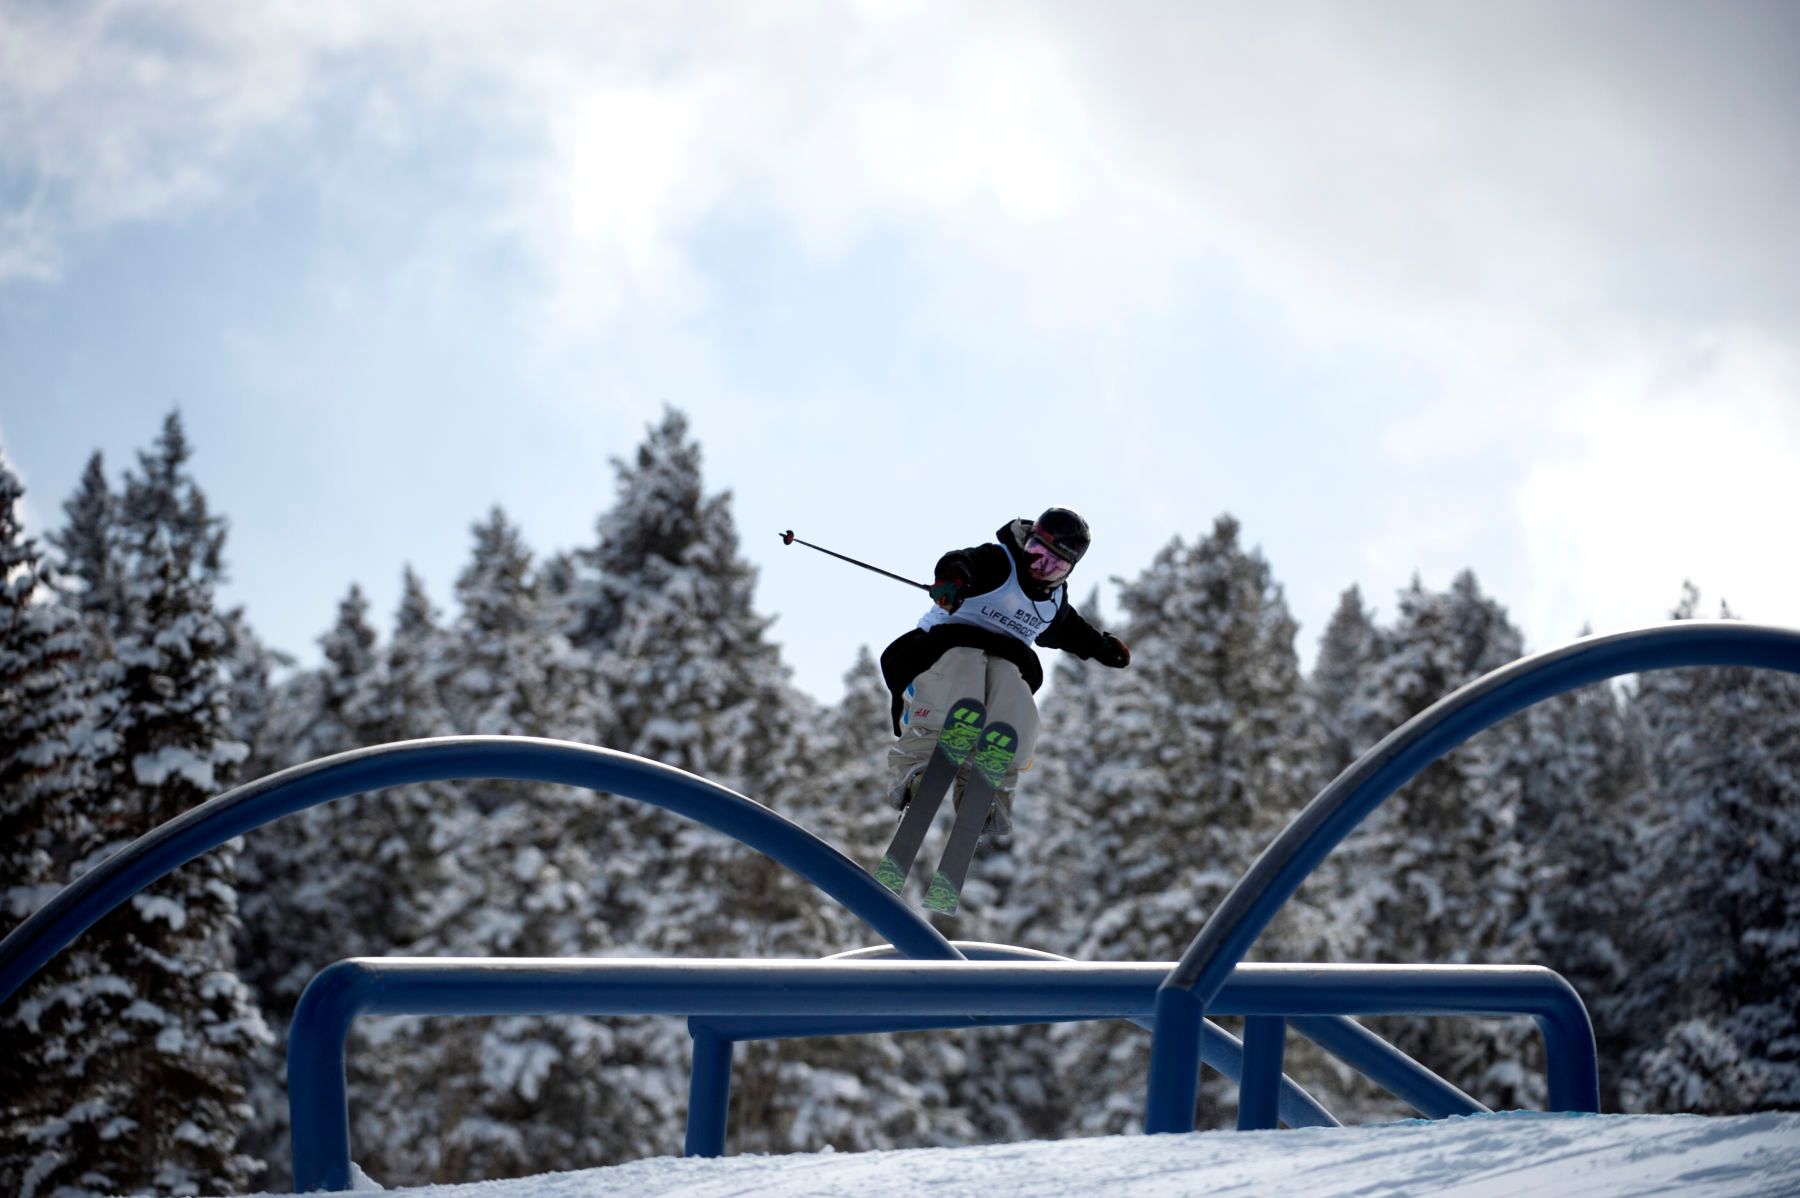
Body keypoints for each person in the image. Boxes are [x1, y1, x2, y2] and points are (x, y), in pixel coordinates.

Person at [878, 506, 1132, 837]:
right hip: (939, 653)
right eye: (1037, 554)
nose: (1040, 569)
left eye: (1054, 565)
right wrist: (953, 581)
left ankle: (986, 789)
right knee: (965, 671)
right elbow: (963, 561)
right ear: (1027, 542)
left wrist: (1101, 646)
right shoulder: (1001, 564)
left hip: (1002, 660)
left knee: (1015, 697)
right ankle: (917, 769)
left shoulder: (1051, 603)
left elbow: (1072, 630)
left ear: (1068, 571)